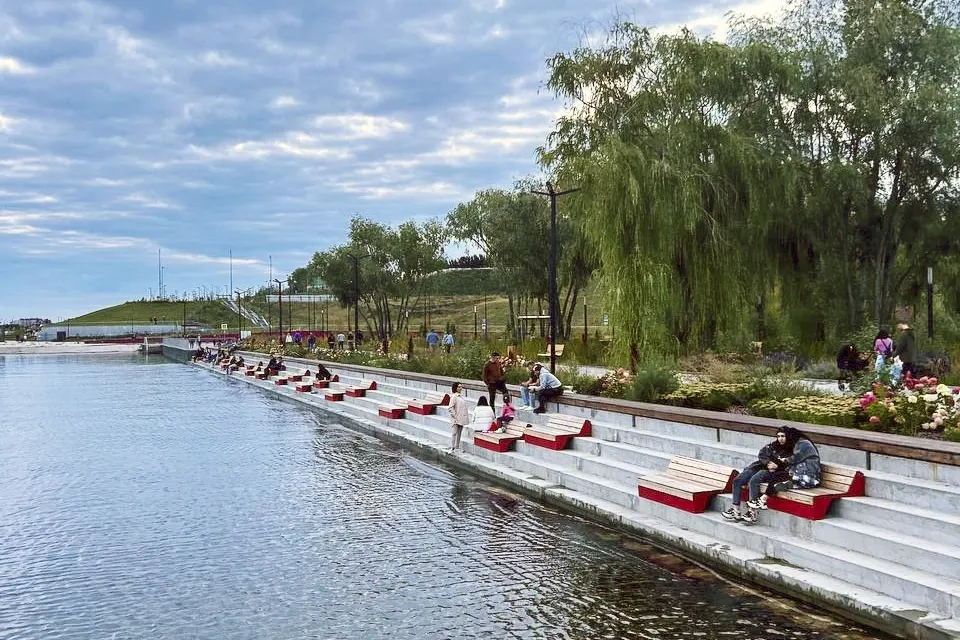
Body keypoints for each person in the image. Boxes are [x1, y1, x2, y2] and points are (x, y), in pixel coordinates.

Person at [721, 428, 791, 523]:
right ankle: (736, 511)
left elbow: (788, 464)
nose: (780, 438)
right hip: (758, 467)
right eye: (778, 436)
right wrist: (768, 463)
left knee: (753, 480)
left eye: (783, 436)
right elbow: (762, 454)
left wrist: (777, 465)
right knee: (737, 480)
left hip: (770, 472)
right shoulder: (772, 446)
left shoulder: (790, 449)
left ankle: (752, 512)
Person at [748, 426, 822, 511]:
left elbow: (796, 457)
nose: (785, 439)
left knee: (779, 479)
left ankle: (763, 499)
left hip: (808, 475)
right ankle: (763, 500)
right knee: (776, 477)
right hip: (798, 472)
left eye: (785, 436)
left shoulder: (804, 443)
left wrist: (784, 460)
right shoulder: (798, 443)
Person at [448, 382, 470, 453]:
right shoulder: (454, 396)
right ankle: (452, 447)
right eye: (459, 387)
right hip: (456, 418)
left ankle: (457, 447)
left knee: (459, 433)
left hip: (461, 418)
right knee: (454, 433)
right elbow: (450, 407)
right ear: (455, 388)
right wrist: (455, 416)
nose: (460, 388)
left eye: (461, 387)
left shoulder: (461, 396)